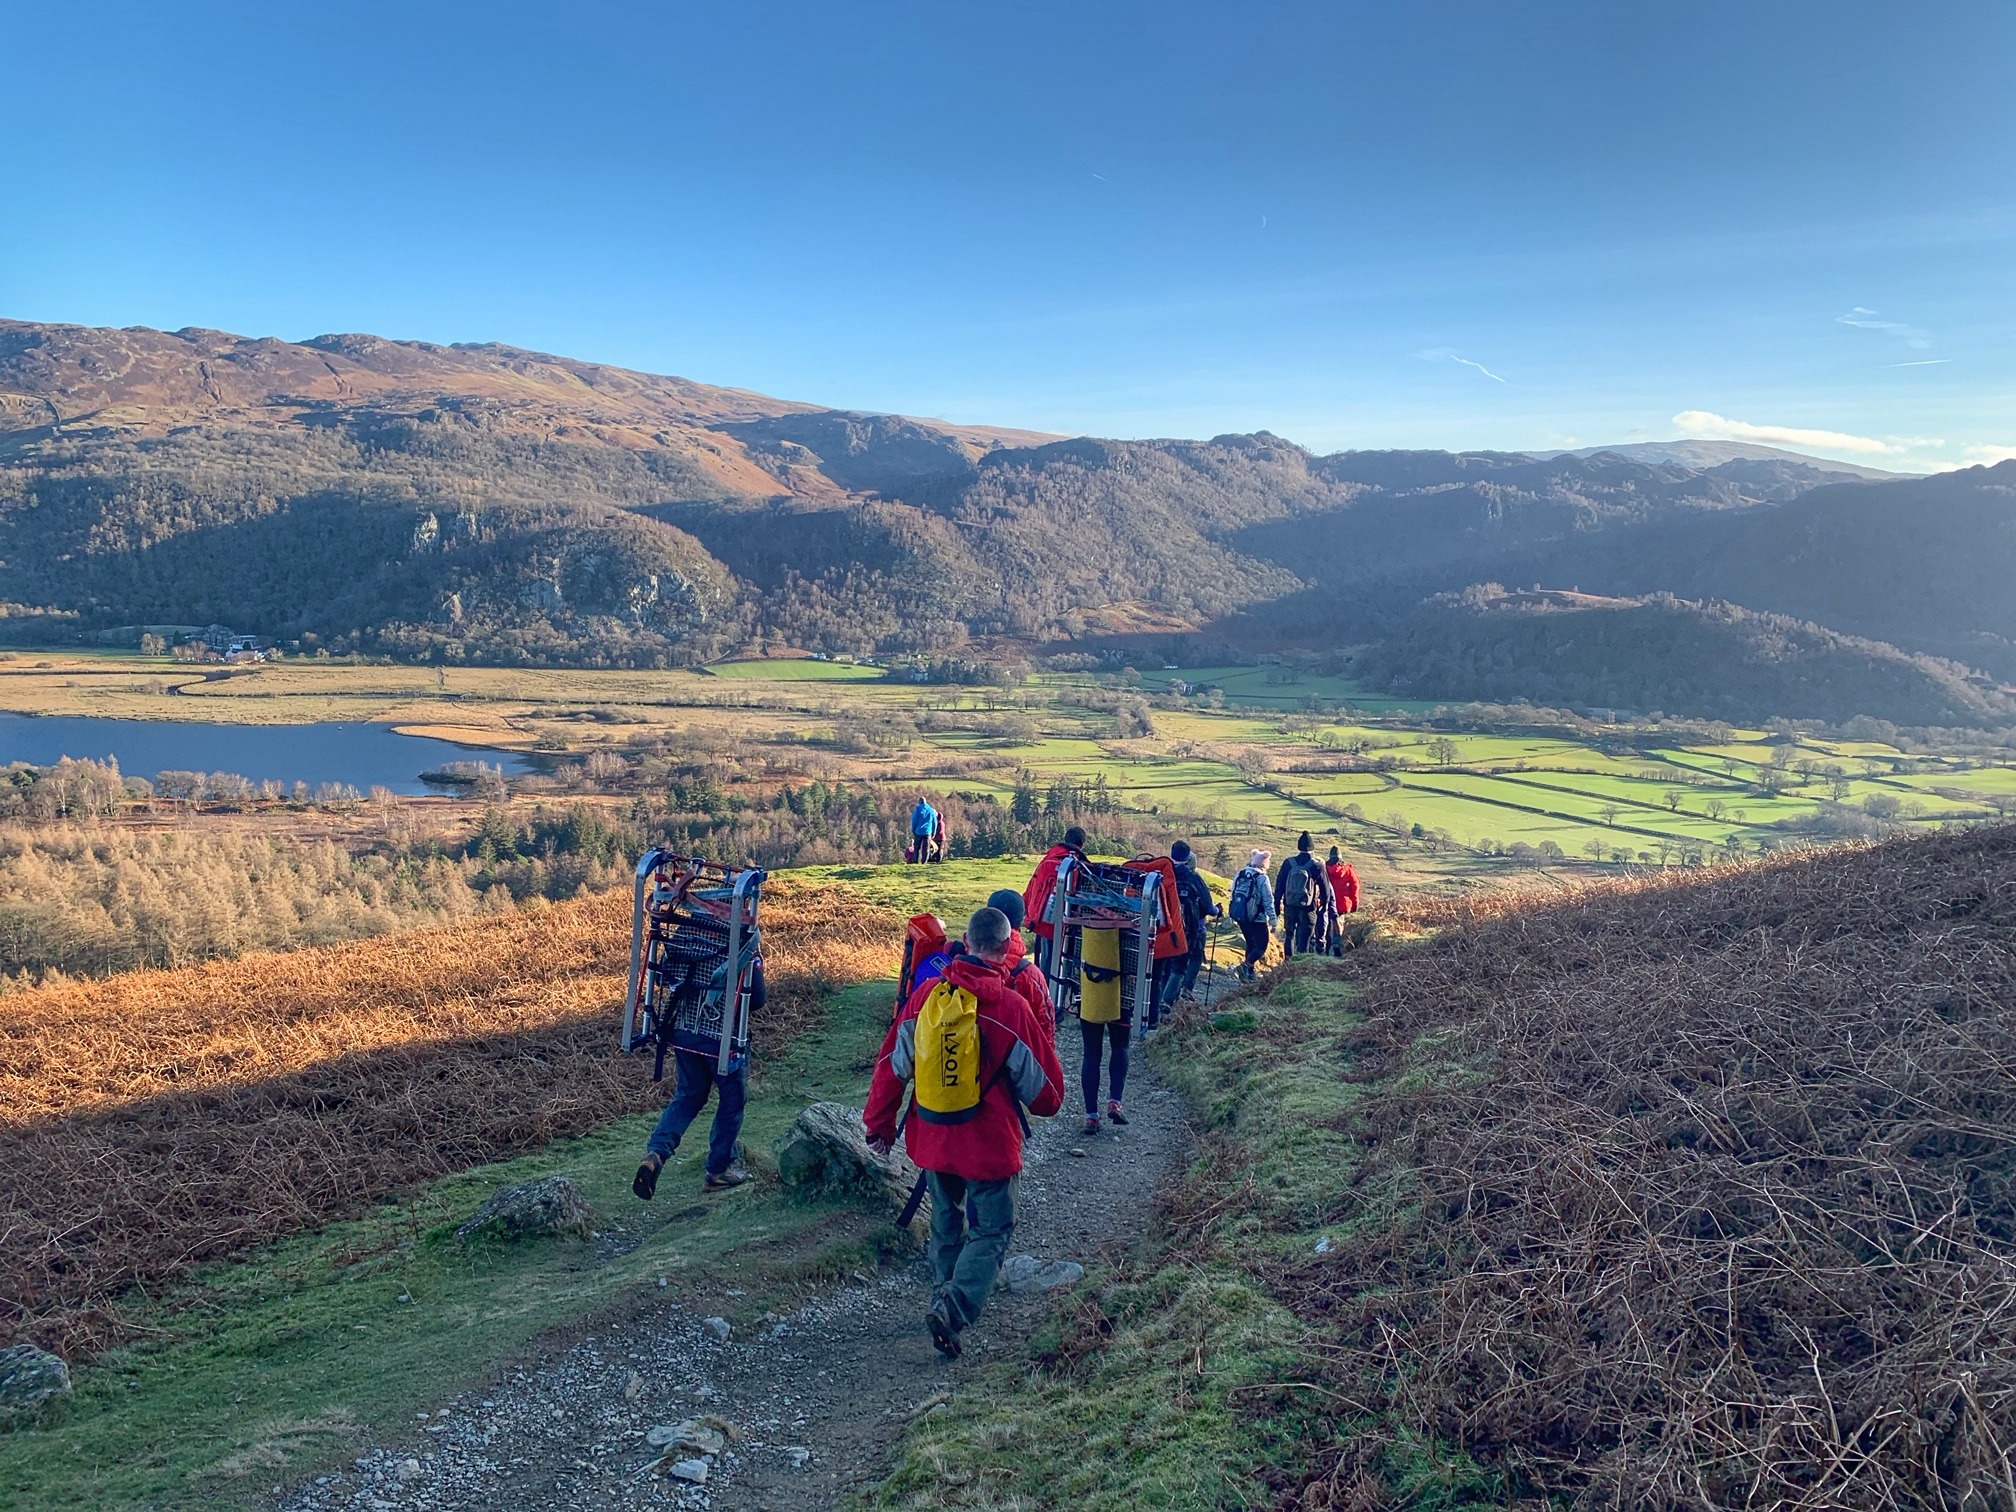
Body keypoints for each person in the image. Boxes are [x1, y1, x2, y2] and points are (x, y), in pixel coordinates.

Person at [864, 907, 1065, 1359]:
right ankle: (953, 1307)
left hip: (933, 1135)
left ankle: (942, 1292)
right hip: (990, 1144)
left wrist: (878, 1125)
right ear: (1005, 948)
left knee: (946, 1220)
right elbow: (1048, 1096)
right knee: (992, 1229)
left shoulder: (925, 997)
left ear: (967, 942)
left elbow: (891, 1066)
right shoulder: (1009, 1008)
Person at [632, 957, 764, 1199]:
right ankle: (717, 1172)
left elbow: (662, 975)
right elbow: (756, 1000)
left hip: (685, 1032)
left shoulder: (685, 934)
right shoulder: (743, 941)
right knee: (731, 1102)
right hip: (723, 1039)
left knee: (688, 1096)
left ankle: (655, 1154)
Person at [1150, 839, 1218, 1024]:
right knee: (1179, 968)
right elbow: (1207, 907)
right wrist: (1216, 911)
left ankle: (1154, 1010)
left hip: (1162, 930)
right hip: (1185, 933)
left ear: (1171, 854)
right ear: (1188, 857)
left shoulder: (1162, 874)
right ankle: (1167, 1002)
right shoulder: (1194, 878)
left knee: (1162, 969)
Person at [1022, 825, 1088, 1000]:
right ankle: (1056, 999)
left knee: (1046, 960)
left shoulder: (1049, 858)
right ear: (1082, 844)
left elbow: (1032, 886)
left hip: (1041, 921)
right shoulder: (1081, 866)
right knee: (1062, 962)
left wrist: (1027, 912)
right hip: (1067, 926)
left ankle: (1041, 995)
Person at [1274, 832, 1335, 959]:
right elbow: (1326, 890)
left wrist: (1277, 904)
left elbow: (1279, 884)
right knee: (1305, 937)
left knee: (1289, 935)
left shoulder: (1288, 863)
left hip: (1290, 905)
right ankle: (1301, 963)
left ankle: (1288, 962)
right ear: (1312, 848)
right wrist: (1324, 906)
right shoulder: (1317, 865)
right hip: (1308, 907)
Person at [1228, 849, 1275, 980]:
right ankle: (1246, 965)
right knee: (1261, 945)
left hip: (1241, 916)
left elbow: (1232, 894)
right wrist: (1273, 920)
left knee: (1250, 943)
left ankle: (1249, 974)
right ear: (1264, 864)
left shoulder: (1241, 873)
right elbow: (1268, 901)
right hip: (1257, 918)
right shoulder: (1262, 878)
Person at [1324, 845, 1360, 955]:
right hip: (1342, 904)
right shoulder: (1348, 870)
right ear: (1341, 857)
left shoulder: (1324, 868)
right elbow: (1355, 886)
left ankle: (1326, 948)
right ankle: (1336, 944)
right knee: (1338, 925)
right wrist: (1355, 904)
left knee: (1326, 925)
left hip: (1326, 902)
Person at [908, 795, 939, 864]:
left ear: (919, 802)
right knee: (926, 848)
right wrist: (933, 832)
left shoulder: (918, 809)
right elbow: (934, 822)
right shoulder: (931, 810)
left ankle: (915, 861)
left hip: (918, 832)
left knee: (916, 848)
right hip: (928, 832)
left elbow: (914, 820)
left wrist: (913, 829)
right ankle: (924, 862)